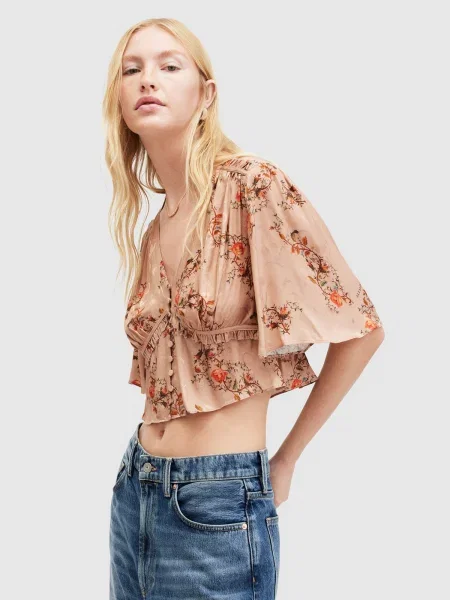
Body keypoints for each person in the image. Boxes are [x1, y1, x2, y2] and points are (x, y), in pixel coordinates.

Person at [103, 17, 385, 600]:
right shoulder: (155, 227)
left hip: (217, 502)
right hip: (136, 490)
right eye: (132, 70)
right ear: (120, 103)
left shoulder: (251, 187)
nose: (147, 79)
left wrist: (286, 460)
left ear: (205, 94)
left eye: (169, 66)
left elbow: (361, 330)